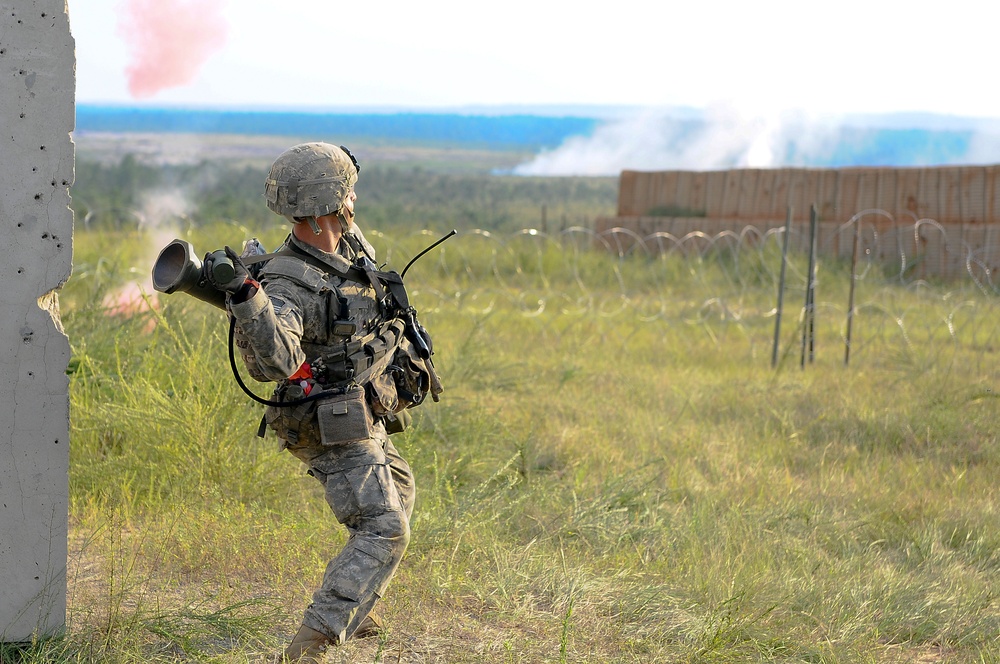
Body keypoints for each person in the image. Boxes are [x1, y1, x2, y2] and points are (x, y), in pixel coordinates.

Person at [204, 142, 440, 663]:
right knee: (383, 526)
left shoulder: (350, 246)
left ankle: (359, 606)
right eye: (347, 189)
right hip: (323, 418)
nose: (354, 198)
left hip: (365, 403)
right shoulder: (287, 284)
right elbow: (277, 362)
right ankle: (313, 641)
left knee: (399, 488)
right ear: (331, 201)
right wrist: (249, 300)